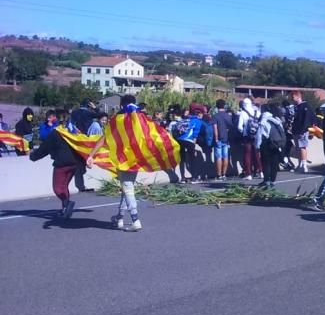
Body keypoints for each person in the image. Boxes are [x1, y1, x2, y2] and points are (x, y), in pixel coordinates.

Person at [85, 95, 180, 232]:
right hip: (135, 159)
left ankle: (135, 220)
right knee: (127, 188)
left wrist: (91, 155)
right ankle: (120, 217)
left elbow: (104, 138)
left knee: (128, 188)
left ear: (121, 104)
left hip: (122, 158)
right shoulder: (141, 118)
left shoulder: (117, 120)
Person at [29, 122, 84, 218]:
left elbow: (44, 148)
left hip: (62, 164)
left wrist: (33, 156)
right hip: (74, 164)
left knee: (57, 188)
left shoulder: (56, 133)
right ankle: (65, 209)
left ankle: (67, 203)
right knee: (64, 186)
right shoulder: (73, 132)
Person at [174, 103, 207, 183]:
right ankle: (194, 178)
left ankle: (182, 178)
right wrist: (194, 146)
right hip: (189, 141)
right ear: (199, 114)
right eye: (201, 113)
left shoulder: (185, 119)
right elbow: (195, 135)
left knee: (182, 160)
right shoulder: (197, 121)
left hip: (179, 140)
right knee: (193, 159)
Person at [257, 104, 286, 188]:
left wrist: (257, 146)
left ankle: (266, 181)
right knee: (274, 163)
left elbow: (260, 134)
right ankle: (273, 180)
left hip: (266, 143)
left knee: (266, 163)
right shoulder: (276, 119)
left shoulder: (264, 119)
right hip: (277, 144)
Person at [237, 97, 263, 180]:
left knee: (247, 155)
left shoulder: (243, 113)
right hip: (256, 136)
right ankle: (261, 171)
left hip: (247, 137)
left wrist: (243, 131)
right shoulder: (257, 112)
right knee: (257, 154)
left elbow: (239, 127)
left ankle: (248, 174)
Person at [290, 90, 316, 173]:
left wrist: (304, 129)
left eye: (293, 97)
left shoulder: (305, 106)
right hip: (295, 130)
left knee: (302, 147)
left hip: (303, 130)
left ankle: (304, 165)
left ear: (298, 96)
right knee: (298, 148)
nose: (292, 98)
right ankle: (300, 164)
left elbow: (308, 118)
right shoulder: (295, 107)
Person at [212, 99, 233, 180]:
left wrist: (216, 139)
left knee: (218, 157)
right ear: (224, 106)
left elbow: (215, 128)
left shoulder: (215, 116)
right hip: (226, 139)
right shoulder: (228, 116)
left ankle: (219, 175)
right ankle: (224, 174)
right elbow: (230, 127)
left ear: (217, 106)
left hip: (219, 139)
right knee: (226, 156)